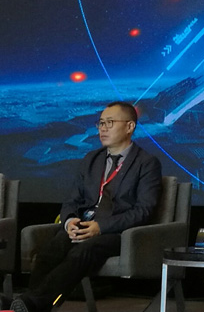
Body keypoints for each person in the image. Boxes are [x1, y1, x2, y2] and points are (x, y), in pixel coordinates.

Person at [10, 102, 162, 312]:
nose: (103, 129)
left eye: (110, 123)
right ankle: (32, 305)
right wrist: (69, 221)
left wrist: (101, 227)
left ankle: (31, 304)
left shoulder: (146, 163)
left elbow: (143, 211)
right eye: (101, 123)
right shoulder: (91, 159)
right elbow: (72, 201)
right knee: (49, 252)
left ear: (129, 127)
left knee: (82, 252)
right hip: (82, 225)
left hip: (116, 232)